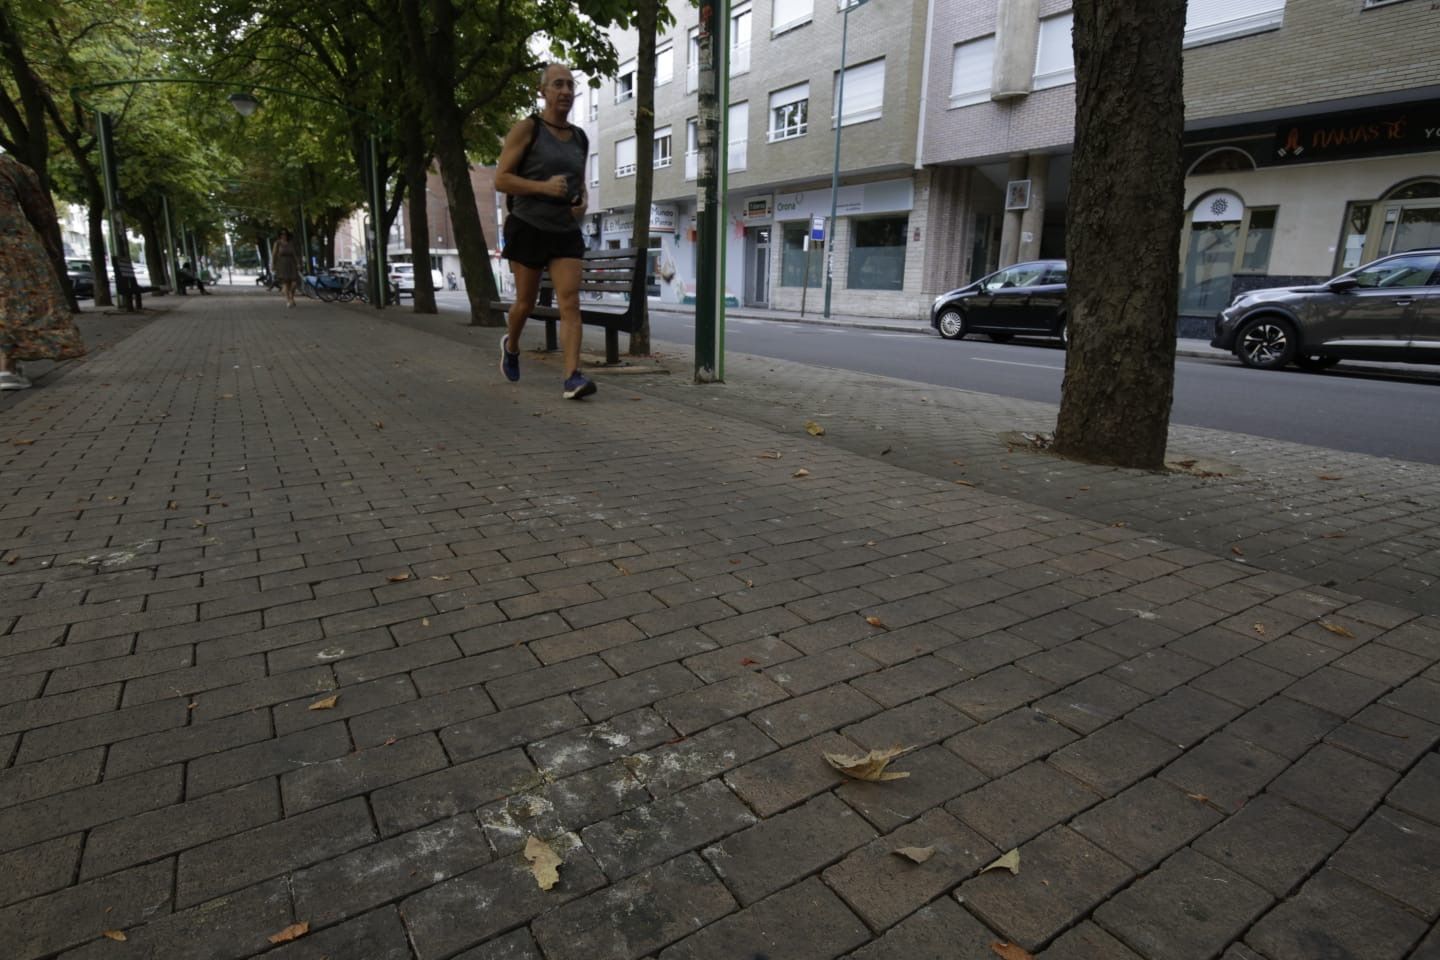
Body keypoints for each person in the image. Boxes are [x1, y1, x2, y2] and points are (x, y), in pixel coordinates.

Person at [494, 62, 595, 400]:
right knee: (525, 303)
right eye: (558, 84)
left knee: (570, 301)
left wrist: (581, 202)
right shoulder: (528, 129)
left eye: (570, 85)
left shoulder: (580, 137)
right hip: (529, 225)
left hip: (564, 228)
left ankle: (572, 378)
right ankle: (512, 344)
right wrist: (543, 187)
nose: (565, 91)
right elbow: (501, 179)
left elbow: (579, 183)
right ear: (543, 91)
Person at [0, 154, 85, 391]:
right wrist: (48, 239)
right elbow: (40, 211)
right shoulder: (8, 166)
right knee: (16, 303)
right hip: (12, 244)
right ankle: (6, 367)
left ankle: (6, 366)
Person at [271, 229, 301, 308]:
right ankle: (288, 300)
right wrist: (273, 265)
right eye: (282, 234)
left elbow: (294, 254)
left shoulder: (291, 243)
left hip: (292, 264)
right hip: (282, 264)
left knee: (294, 283)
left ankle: (291, 296)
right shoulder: (277, 243)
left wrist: (298, 263)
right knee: (286, 283)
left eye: (285, 234)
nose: (284, 235)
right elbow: (274, 255)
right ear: (280, 235)